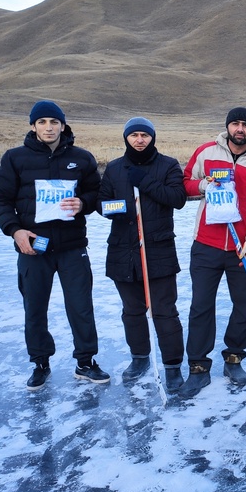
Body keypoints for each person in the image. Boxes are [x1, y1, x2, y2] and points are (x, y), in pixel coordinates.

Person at [0, 100, 110, 390]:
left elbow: (97, 192)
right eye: (42, 122)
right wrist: (15, 231)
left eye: (53, 122)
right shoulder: (15, 158)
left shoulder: (81, 158)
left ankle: (85, 362)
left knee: (81, 307)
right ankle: (40, 363)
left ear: (62, 125)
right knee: (35, 308)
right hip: (33, 247)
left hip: (72, 246)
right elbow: (0, 199)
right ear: (33, 126)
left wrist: (83, 202)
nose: (48, 127)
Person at [178, 107, 246, 399]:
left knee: (244, 305)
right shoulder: (206, 153)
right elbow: (184, 185)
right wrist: (202, 186)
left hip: (243, 248)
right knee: (201, 306)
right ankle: (198, 366)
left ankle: (234, 358)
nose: (240, 129)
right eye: (235, 123)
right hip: (207, 244)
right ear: (228, 127)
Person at [97, 117, 187, 392]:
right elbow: (102, 205)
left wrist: (145, 181)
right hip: (123, 251)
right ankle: (139, 358)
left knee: (164, 311)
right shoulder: (114, 168)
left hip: (158, 249)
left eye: (144, 135)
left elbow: (177, 199)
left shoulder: (168, 165)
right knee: (133, 312)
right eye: (134, 135)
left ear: (152, 138)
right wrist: (120, 208)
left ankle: (172, 365)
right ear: (126, 138)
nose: (139, 140)